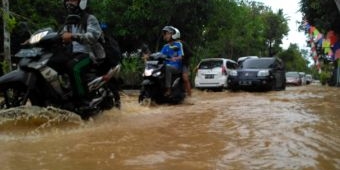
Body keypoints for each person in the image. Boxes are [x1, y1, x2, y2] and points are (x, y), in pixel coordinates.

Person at [48, 0, 105, 106]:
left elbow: (92, 36)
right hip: (72, 54)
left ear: (81, 2)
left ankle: (83, 101)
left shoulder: (89, 18)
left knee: (74, 67)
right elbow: (59, 35)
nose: (69, 3)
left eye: (73, 0)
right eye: (67, 1)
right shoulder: (69, 22)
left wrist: (73, 36)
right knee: (51, 61)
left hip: (89, 55)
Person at [161, 26, 184, 96]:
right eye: (166, 34)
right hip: (166, 66)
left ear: (174, 35)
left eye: (168, 34)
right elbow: (160, 55)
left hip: (176, 67)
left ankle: (168, 89)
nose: (166, 36)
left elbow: (181, 56)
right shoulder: (165, 46)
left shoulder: (178, 44)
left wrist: (176, 58)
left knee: (167, 67)